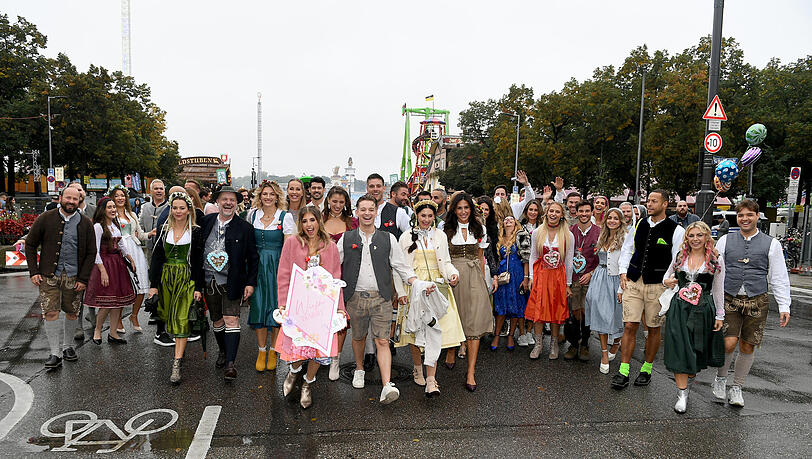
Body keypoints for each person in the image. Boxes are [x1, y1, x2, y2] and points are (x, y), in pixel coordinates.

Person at [337, 194, 429, 404]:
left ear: (376, 212)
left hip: (381, 297)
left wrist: (416, 283)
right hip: (355, 297)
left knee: (382, 340)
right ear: (357, 212)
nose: (367, 213)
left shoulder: (388, 238)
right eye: (363, 209)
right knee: (358, 337)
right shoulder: (347, 238)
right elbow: (334, 265)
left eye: (371, 209)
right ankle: (359, 369)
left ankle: (387, 384)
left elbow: (400, 265)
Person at [712, 199, 791, 407]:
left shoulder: (771, 244)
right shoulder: (724, 241)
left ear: (757, 217)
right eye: (741, 215)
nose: (744, 219)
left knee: (748, 345)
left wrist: (784, 305)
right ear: (737, 218)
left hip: (757, 299)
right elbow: (716, 272)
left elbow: (778, 276)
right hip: (729, 297)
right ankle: (721, 379)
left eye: (749, 215)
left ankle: (737, 387)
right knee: (728, 342)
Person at [276, 206, 348, 409]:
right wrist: (283, 303)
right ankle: (294, 371)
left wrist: (339, 307)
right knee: (299, 348)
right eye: (305, 221)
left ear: (319, 222)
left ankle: (308, 382)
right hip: (299, 305)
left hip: (322, 307)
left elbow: (336, 278)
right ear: (301, 223)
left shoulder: (330, 246)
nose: (309, 225)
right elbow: (283, 274)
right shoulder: (292, 243)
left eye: (312, 220)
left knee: (318, 350)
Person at [613, 189, 684, 389]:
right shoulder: (639, 224)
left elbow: (678, 259)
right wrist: (623, 272)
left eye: (654, 201)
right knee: (629, 326)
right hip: (634, 281)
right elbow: (628, 249)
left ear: (665, 204)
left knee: (653, 328)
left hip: (658, 285)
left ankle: (646, 368)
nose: (649, 204)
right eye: (648, 201)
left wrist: (669, 280)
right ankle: (623, 370)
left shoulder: (676, 230)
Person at [395, 199, 465, 397]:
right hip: (414, 287)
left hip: (436, 289)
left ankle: (432, 379)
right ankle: (418, 366)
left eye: (429, 216)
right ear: (416, 216)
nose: (426, 219)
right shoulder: (407, 237)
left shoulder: (441, 236)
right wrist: (401, 292)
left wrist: (453, 274)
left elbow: (447, 262)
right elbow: (399, 267)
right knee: (416, 331)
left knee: (435, 332)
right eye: (422, 215)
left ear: (434, 217)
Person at [25, 186, 97, 370]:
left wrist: (83, 278)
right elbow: (30, 244)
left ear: (79, 200)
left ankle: (68, 347)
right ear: (60, 198)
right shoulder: (45, 218)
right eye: (68, 198)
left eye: (75, 199)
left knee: (72, 312)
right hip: (49, 276)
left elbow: (91, 252)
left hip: (74, 277)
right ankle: (55, 353)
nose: (71, 201)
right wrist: (34, 271)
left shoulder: (86, 223)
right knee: (50, 312)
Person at [193, 185, 259, 381]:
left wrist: (250, 283)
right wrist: (197, 285)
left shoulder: (245, 227)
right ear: (217, 202)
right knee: (217, 321)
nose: (228, 203)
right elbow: (196, 254)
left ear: (237, 203)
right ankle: (223, 350)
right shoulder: (205, 222)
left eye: (232, 199)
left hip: (232, 280)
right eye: (224, 199)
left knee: (231, 319)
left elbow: (253, 257)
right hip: (208, 280)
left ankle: (231, 363)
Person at [662, 221, 726, 413]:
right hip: (679, 309)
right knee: (679, 349)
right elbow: (666, 278)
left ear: (707, 237)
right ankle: (682, 394)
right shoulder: (680, 256)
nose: (695, 239)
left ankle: (688, 382)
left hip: (703, 308)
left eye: (699, 235)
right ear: (686, 238)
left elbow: (718, 288)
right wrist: (669, 281)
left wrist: (720, 314)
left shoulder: (715, 259)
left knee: (695, 351)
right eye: (692, 235)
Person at [147, 192, 202, 384]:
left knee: (181, 319)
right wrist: (153, 286)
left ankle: (176, 363)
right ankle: (180, 350)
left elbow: (197, 261)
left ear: (189, 210)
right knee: (170, 318)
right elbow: (156, 259)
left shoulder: (195, 231)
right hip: (166, 278)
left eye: (182, 208)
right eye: (175, 207)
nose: (178, 211)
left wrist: (198, 287)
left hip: (186, 278)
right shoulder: (163, 229)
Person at [444, 192, 493, 391]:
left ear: (471, 209)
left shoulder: (479, 228)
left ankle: (471, 371)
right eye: (459, 208)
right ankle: (451, 349)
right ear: (454, 210)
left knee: (474, 321)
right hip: (453, 276)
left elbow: (481, 256)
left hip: (473, 277)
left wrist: (483, 280)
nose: (463, 211)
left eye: (466, 208)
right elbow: (443, 257)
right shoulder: (445, 230)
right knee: (453, 317)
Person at [245, 181, 293, 373]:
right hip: (257, 266)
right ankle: (261, 350)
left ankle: (274, 350)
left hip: (276, 266)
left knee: (275, 307)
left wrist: (286, 273)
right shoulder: (253, 215)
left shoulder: (285, 217)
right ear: (260, 196)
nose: (267, 197)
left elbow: (288, 248)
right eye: (264, 194)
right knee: (258, 306)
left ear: (277, 196)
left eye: (271, 194)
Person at [84, 197, 136, 345]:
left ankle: (113, 333)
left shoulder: (115, 225)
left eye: (114, 207)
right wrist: (102, 270)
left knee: (118, 302)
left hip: (117, 264)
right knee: (106, 302)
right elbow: (95, 250)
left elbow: (121, 244)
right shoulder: (98, 227)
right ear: (103, 210)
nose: (113, 210)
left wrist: (130, 258)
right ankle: (97, 331)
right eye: (109, 207)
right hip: (105, 264)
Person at [525, 201, 574, 360]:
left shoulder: (568, 234)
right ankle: (538, 344)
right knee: (539, 310)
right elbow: (533, 256)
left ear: (562, 215)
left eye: (557, 212)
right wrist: (531, 277)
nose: (553, 214)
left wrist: (568, 284)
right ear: (546, 212)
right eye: (551, 211)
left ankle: (554, 343)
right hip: (541, 275)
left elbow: (569, 261)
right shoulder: (538, 232)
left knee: (555, 310)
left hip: (558, 277)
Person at [585, 208, 627, 374]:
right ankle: (603, 353)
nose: (612, 221)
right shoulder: (602, 236)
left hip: (616, 279)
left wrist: (621, 287)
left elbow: (625, 264)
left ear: (620, 221)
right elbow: (599, 261)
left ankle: (616, 343)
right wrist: (591, 274)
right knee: (600, 314)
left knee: (617, 316)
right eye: (609, 217)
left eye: (616, 218)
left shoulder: (625, 238)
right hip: (600, 277)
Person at [321, 185, 357, 380]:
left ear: (346, 204)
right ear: (328, 201)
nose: (337, 205)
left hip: (345, 274)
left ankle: (336, 358)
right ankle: (321, 355)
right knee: (321, 317)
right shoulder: (319, 220)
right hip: (321, 273)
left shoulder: (352, 222)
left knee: (341, 318)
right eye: (334, 201)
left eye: (341, 202)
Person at [564, 200, 601, 361]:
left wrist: (592, 273)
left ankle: (585, 343)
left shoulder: (599, 232)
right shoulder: (569, 231)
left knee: (586, 313)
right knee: (574, 312)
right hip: (572, 279)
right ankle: (573, 344)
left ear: (592, 212)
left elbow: (604, 259)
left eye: (587, 211)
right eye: (581, 211)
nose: (584, 214)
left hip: (590, 278)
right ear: (576, 212)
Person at [109, 185, 149, 333]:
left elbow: (140, 234)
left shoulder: (131, 214)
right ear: (112, 198)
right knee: (122, 286)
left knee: (141, 284)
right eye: (117, 195)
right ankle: (118, 319)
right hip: (119, 250)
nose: (120, 198)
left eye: (122, 195)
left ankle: (134, 315)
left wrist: (150, 234)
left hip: (135, 249)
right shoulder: (110, 215)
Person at [491, 214, 530, 351]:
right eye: (506, 219)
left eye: (511, 219)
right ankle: (497, 334)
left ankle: (511, 336)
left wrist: (526, 278)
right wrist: (494, 276)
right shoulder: (498, 239)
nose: (508, 221)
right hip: (503, 276)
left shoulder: (521, 236)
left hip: (517, 273)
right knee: (501, 306)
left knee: (515, 307)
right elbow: (495, 259)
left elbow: (526, 259)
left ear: (515, 223)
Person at [516, 199, 542, 346]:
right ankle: (522, 332)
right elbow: (524, 254)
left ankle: (531, 330)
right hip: (521, 267)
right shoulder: (520, 227)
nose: (533, 212)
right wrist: (526, 276)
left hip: (539, 268)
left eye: (535, 210)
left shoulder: (543, 228)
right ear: (526, 211)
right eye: (530, 209)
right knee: (522, 300)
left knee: (534, 301)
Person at [141, 179, 168, 257]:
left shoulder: (170, 207)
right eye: (156, 189)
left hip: (165, 249)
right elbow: (140, 226)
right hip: (149, 249)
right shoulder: (145, 207)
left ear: (164, 191)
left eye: (161, 189)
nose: (159, 191)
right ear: (151, 191)